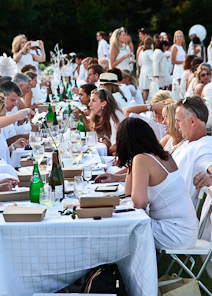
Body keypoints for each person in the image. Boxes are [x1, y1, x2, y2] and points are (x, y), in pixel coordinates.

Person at [117, 117, 197, 250]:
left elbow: (138, 203)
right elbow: (128, 194)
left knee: (119, 229)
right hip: (186, 231)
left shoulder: (142, 159)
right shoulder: (162, 155)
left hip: (173, 233)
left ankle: (115, 269)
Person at [174, 96, 212, 205]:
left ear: (192, 121)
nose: (176, 126)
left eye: (178, 121)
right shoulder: (189, 142)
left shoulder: (204, 146)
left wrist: (209, 179)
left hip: (175, 215)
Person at [0, 92, 29, 166]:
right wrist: (29, 111)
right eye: (4, 108)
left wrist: (13, 146)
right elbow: (18, 116)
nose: (6, 111)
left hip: (3, 167)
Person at [88, 88, 125, 154]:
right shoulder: (97, 116)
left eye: (93, 101)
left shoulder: (115, 117)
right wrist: (103, 140)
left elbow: (118, 145)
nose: (89, 104)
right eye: (90, 100)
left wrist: (107, 151)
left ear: (103, 103)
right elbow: (96, 138)